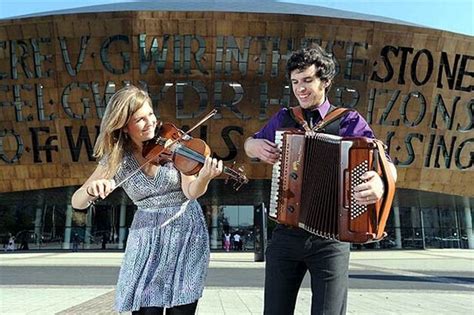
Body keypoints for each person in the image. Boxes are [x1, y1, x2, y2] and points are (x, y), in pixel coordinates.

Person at [244, 44, 397, 315]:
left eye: (307, 80)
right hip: (285, 234)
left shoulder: (350, 121)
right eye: (294, 82)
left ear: (325, 81)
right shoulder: (284, 118)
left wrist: (380, 183)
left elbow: (386, 163)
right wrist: (254, 146)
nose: (300, 88)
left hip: (331, 239)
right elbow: (249, 144)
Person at [71, 85, 223, 315]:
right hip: (146, 239)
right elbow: (77, 202)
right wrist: (91, 190)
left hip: (185, 233)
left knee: (181, 309)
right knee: (146, 310)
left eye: (151, 114)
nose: (151, 122)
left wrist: (204, 178)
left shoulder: (175, 144)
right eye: (140, 119)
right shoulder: (116, 159)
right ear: (123, 125)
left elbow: (191, 192)